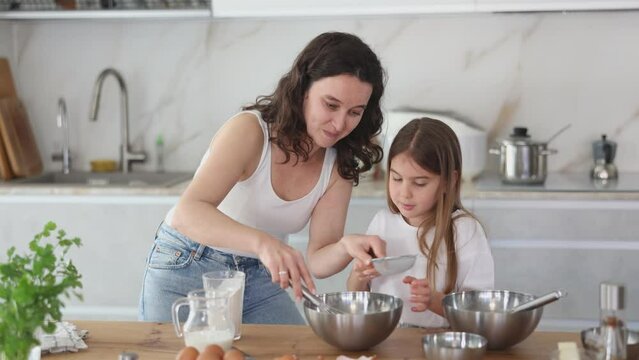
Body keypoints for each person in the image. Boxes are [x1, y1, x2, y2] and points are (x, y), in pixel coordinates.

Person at [139, 32, 388, 324]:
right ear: (303, 90)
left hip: (258, 276)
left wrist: (346, 246)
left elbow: (319, 260)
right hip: (187, 262)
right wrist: (264, 243)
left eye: (354, 112)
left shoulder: (338, 165)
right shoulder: (251, 132)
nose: (340, 123)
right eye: (331, 105)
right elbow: (188, 212)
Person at [346, 118, 494, 328]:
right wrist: (359, 276)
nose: (404, 194)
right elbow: (356, 296)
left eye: (420, 183)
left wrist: (435, 302)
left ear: (449, 181)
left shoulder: (465, 230)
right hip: (386, 342)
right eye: (396, 179)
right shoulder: (382, 223)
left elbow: (479, 312)